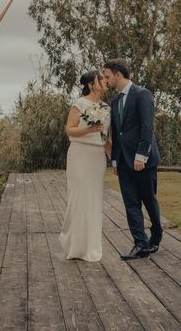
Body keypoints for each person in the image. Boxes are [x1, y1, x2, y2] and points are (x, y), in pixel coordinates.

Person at [103, 58, 162, 260]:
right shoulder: (115, 101)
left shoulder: (142, 94)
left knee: (149, 200)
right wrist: (115, 161)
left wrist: (141, 156)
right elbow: (116, 132)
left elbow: (147, 127)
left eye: (107, 76)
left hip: (142, 161)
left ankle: (157, 234)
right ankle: (140, 244)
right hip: (123, 162)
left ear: (118, 74)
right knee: (130, 204)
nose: (105, 80)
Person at [59, 70, 111, 262]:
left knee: (94, 200)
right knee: (78, 199)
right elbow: (69, 130)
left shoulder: (106, 107)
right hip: (80, 155)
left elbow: (105, 137)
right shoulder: (79, 103)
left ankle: (91, 247)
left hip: (97, 158)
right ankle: (75, 246)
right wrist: (88, 129)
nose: (105, 82)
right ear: (91, 84)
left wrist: (114, 160)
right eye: (101, 79)